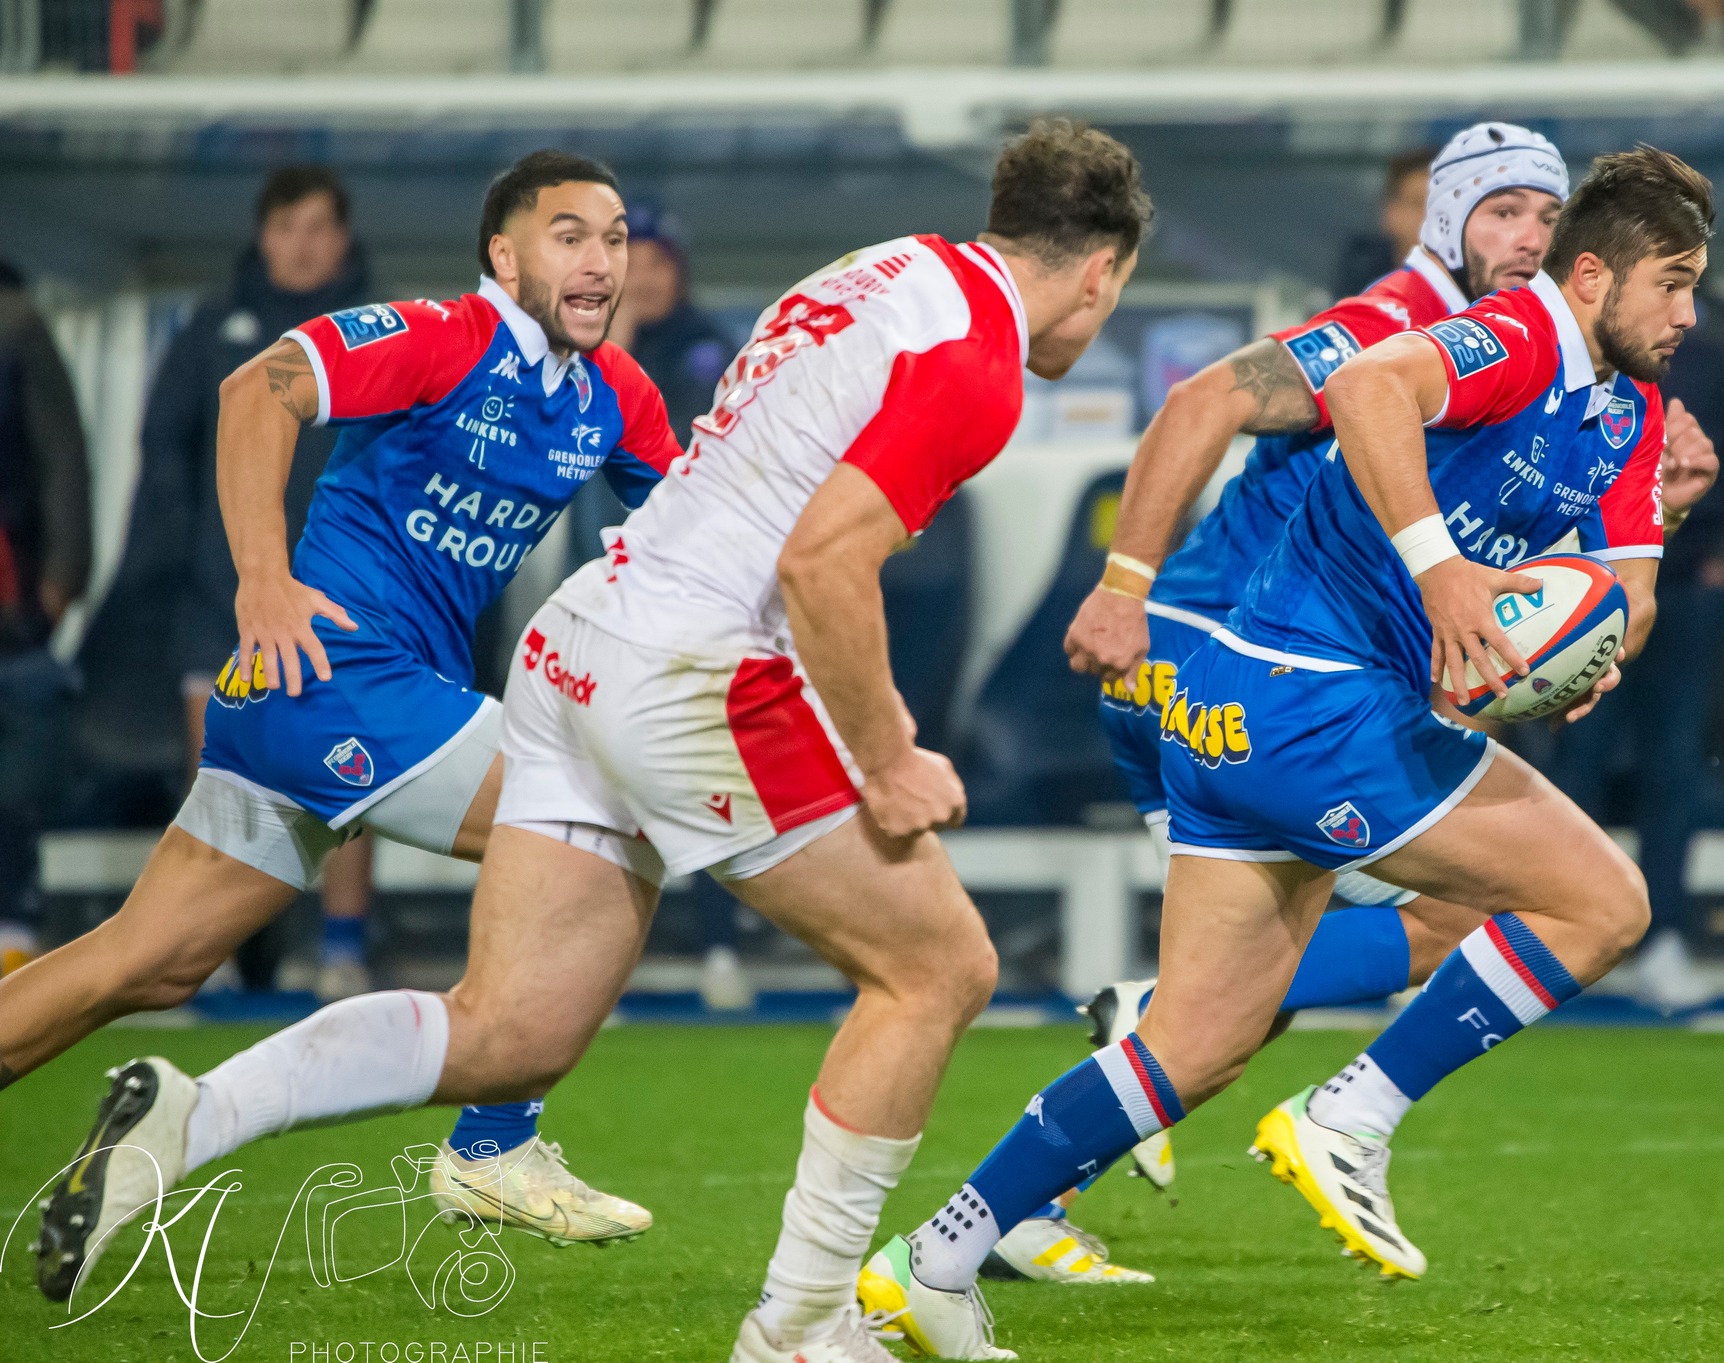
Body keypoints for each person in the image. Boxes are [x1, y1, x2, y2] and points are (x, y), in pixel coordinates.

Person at [45, 118, 1150, 1363]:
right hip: (683, 669)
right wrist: (887, 752)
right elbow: (822, 560)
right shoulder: (975, 361)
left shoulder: (885, 266)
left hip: (575, 646)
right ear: (1098, 270)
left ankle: (187, 1121)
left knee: (509, 1034)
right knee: (939, 967)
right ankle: (799, 1331)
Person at [863, 147, 1713, 1359]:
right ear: (1591, 277)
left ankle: (930, 1259)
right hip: (1306, 699)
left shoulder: (1622, 414)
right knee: (1601, 900)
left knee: (1193, 1045)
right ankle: (1351, 1112)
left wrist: (1592, 643)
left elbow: (1623, 589)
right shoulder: (1515, 333)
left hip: (1245, 716)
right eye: (1671, 284)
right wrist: (1441, 572)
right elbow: (1365, 387)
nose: (1687, 314)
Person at [19, 150, 673, 1302]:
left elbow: (698, 527)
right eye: (569, 234)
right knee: (613, 810)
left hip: (342, 702)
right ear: (504, 255)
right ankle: (493, 1140)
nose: (599, 260)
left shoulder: (615, 394)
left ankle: (440, 1126)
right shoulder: (443, 335)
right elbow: (255, 389)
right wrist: (262, 579)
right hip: (332, 675)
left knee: (150, 960)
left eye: (614, 237)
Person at [1024, 122, 1572, 1284]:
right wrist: (1122, 586)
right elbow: (1199, 401)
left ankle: (1026, 1205)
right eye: (1500, 211)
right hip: (1219, 664)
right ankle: (1160, 1023)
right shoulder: (1394, 324)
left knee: (1244, 987)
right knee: (1463, 913)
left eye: (1546, 214)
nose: (1528, 237)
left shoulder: (1512, 356)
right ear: (1444, 221)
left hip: (1236, 677)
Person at [117, 167, 379, 999]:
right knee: (220, 781)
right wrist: (166, 577)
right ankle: (211, 953)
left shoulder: (381, 332)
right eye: (286, 227)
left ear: (342, 238)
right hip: (219, 598)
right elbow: (164, 461)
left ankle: (341, 947)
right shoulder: (210, 329)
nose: (302, 245)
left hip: (344, 597)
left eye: (318, 228)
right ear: (263, 236)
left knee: (357, 773)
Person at [1545, 271, 1724, 1011]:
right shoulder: (1570, 330)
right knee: (1572, 763)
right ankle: (1559, 935)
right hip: (1583, 588)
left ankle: (1664, 936)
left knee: (1676, 764)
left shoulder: (1720, 330)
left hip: (1688, 585)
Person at [600, 200, 755, 1011]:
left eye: (659, 261)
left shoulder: (708, 348)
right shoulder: (578, 350)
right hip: (601, 596)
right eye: (632, 261)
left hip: (694, 592)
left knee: (703, 772)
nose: (645, 279)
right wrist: (611, 339)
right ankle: (598, 965)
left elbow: (671, 461)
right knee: (603, 787)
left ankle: (720, 949)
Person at [0, 260, 92, 978]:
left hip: (14, 604)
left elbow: (62, 461)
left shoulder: (16, 325)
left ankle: (14, 932)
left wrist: (61, 578)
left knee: (17, 783)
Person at [1329, 144, 1434, 300]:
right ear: (1390, 212)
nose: (1430, 215)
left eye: (1440, 204)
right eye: (1417, 203)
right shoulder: (1360, 278)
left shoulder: (1469, 290)